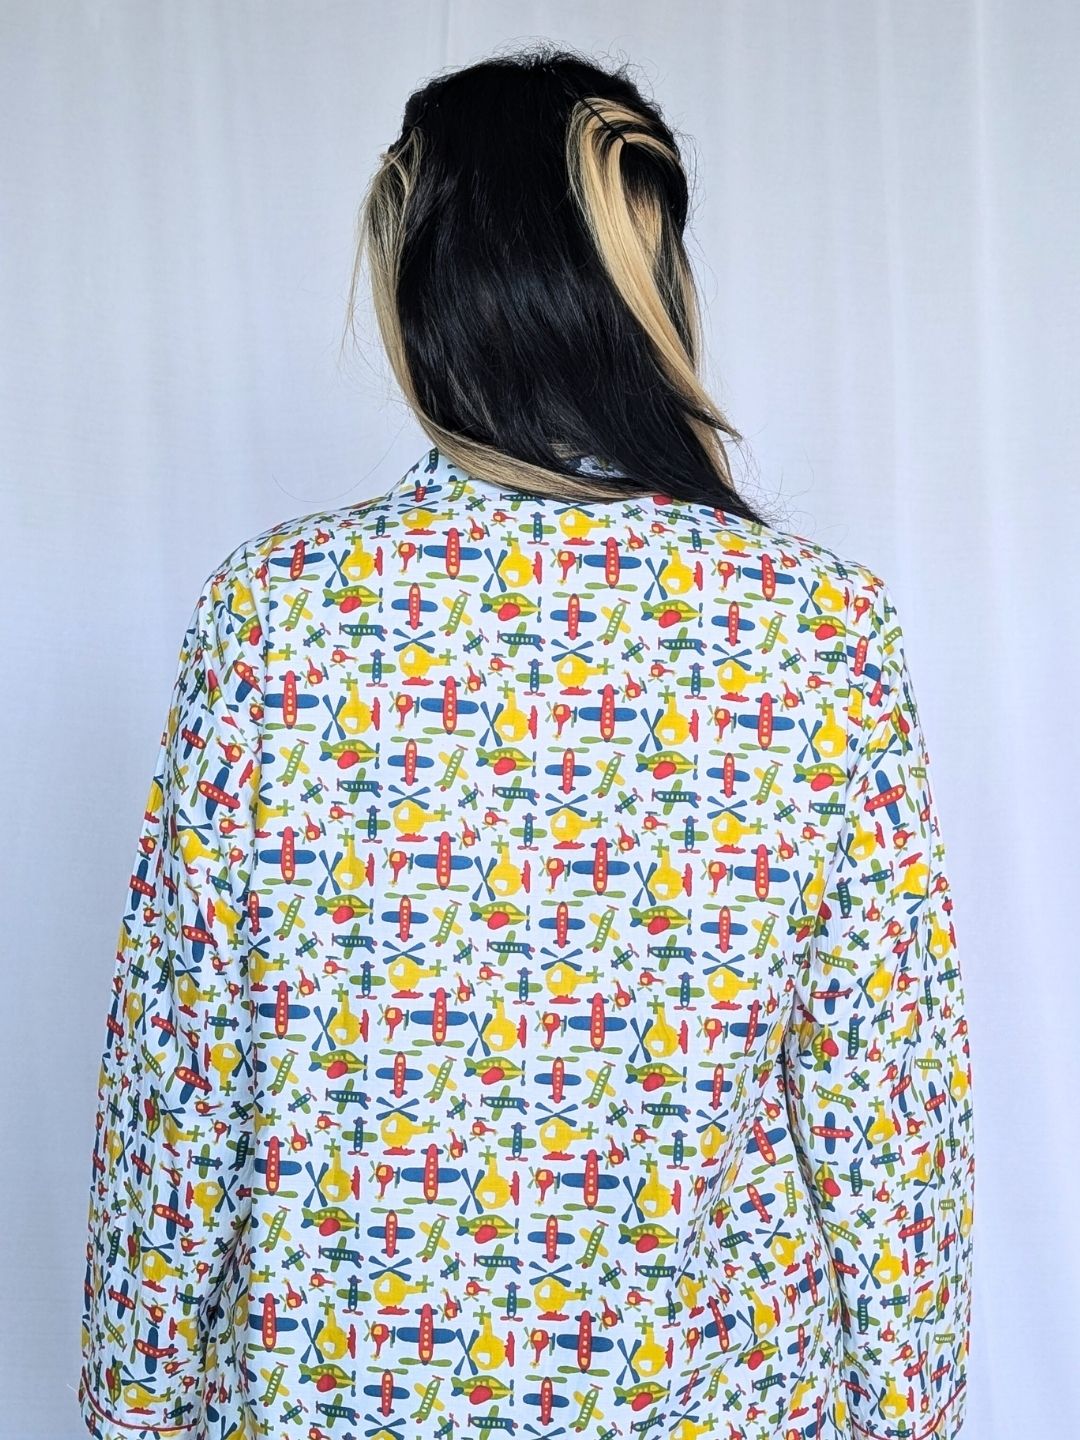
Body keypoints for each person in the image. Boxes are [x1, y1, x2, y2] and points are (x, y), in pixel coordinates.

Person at [76, 44, 974, 1440]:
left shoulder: (273, 621)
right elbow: (886, 1114)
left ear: (427, 294)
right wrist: (913, 1414)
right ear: (651, 297)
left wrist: (135, 1404)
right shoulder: (818, 633)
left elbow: (181, 1082)